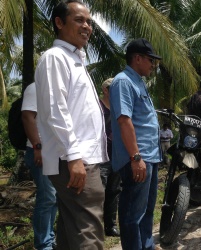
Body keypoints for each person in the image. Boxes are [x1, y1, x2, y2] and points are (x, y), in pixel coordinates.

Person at [34, 1, 108, 249]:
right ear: (59, 23)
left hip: (79, 158)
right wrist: (75, 157)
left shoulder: (74, 58)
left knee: (70, 230)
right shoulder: (56, 57)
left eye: (89, 21)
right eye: (79, 20)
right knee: (89, 232)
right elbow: (56, 111)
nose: (87, 26)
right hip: (76, 160)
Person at [109, 38, 162, 250]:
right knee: (133, 214)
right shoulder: (123, 81)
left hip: (150, 156)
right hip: (139, 158)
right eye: (150, 60)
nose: (153, 65)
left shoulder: (138, 81)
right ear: (137, 58)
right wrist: (136, 157)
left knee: (147, 210)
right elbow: (124, 120)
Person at [21, 83, 57, 250]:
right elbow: (28, 117)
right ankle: (43, 244)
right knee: (47, 196)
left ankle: (49, 237)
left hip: (54, 152)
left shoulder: (55, 88)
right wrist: (37, 147)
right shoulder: (35, 87)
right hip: (39, 151)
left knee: (54, 197)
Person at [99, 78, 121, 237]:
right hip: (100, 155)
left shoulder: (119, 107)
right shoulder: (97, 106)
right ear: (106, 90)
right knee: (99, 191)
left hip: (116, 154)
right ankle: (94, 226)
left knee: (114, 190)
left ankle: (110, 225)